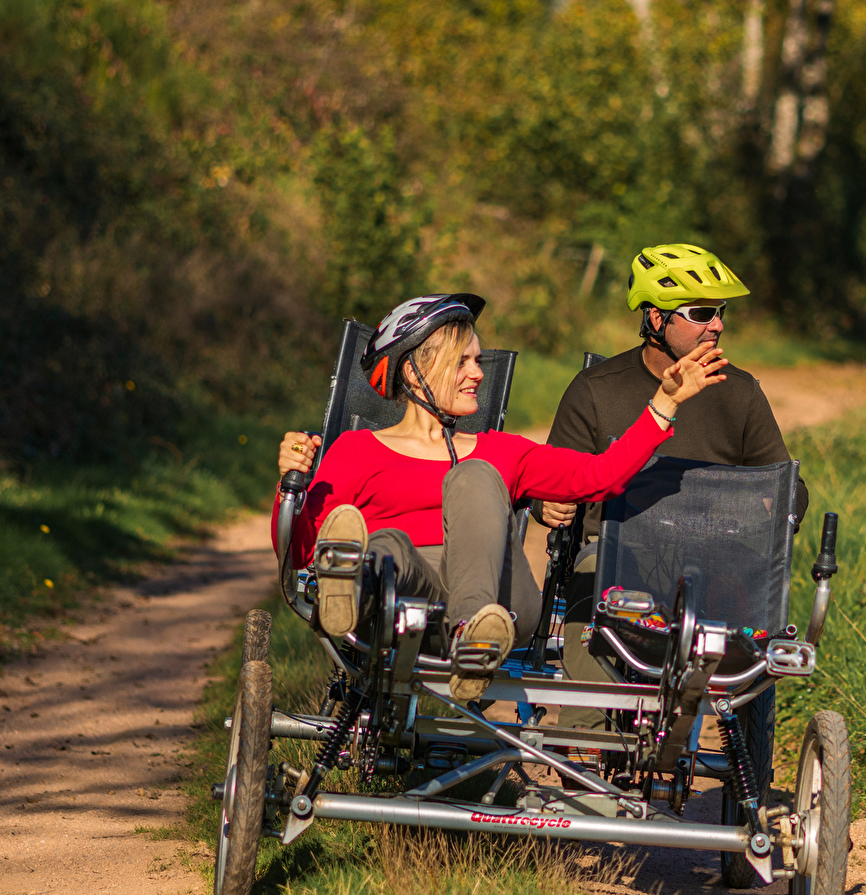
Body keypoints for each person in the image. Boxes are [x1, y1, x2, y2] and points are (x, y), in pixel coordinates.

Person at [273, 292, 728, 701]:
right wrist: (289, 483)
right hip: (406, 599)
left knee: (473, 475)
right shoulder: (355, 450)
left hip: (500, 604)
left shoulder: (501, 451)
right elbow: (301, 552)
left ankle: (474, 635)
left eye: (478, 361)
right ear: (413, 371)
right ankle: (359, 586)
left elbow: (599, 476)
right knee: (384, 546)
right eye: (462, 363)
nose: (477, 375)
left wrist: (663, 404)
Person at [531, 243, 808, 736]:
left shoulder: (739, 393)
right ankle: (585, 755)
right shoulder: (596, 389)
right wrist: (545, 503)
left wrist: (778, 505)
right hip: (615, 558)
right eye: (702, 313)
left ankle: (709, 728)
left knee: (746, 596)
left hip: (715, 557)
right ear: (656, 319)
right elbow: (551, 478)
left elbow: (787, 485)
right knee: (592, 577)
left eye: (720, 313)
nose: (717, 325)